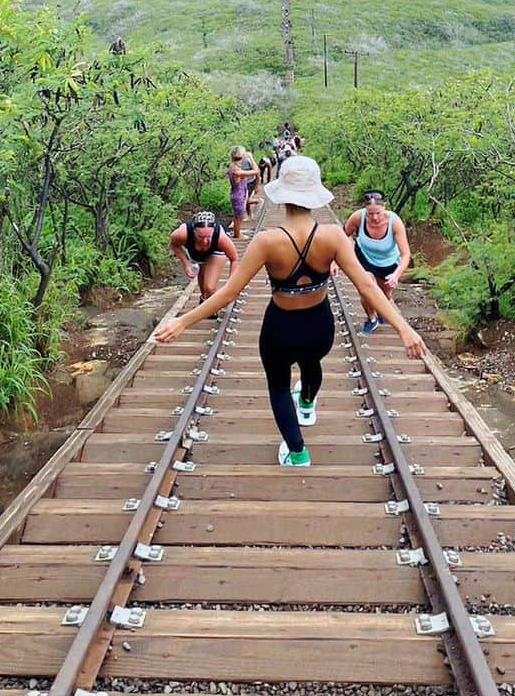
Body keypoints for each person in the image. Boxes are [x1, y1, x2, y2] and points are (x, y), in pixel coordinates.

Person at [155, 155, 424, 467]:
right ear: (314, 195)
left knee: (279, 386)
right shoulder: (334, 235)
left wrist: (183, 322)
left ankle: (298, 453)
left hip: (279, 328)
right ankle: (307, 403)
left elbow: (230, 291)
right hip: (319, 325)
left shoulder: (267, 241)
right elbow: (366, 286)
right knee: (312, 364)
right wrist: (404, 328)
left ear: (281, 195)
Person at [342, 190, 412, 335]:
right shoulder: (357, 217)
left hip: (388, 263)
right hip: (365, 259)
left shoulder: (395, 222)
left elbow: (406, 255)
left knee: (384, 295)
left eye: (378, 213)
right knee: (367, 290)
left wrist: (396, 275)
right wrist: (336, 261)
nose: (374, 217)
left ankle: (382, 312)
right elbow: (342, 237)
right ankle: (372, 319)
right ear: (365, 210)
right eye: (370, 213)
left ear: (384, 207)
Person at [167, 211, 239, 304]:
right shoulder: (182, 234)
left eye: (208, 236)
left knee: (209, 287)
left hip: (215, 250)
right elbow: (173, 245)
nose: (205, 241)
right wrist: (186, 264)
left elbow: (234, 259)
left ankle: (212, 307)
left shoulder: (221, 238)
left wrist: (231, 284)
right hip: (195, 253)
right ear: (194, 231)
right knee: (203, 279)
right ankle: (204, 299)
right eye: (200, 237)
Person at [227, 145, 259, 239]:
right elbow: (256, 171)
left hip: (238, 194)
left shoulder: (233, 166)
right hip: (238, 196)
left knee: (238, 218)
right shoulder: (237, 171)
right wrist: (251, 158)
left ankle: (238, 232)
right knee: (238, 218)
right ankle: (237, 235)